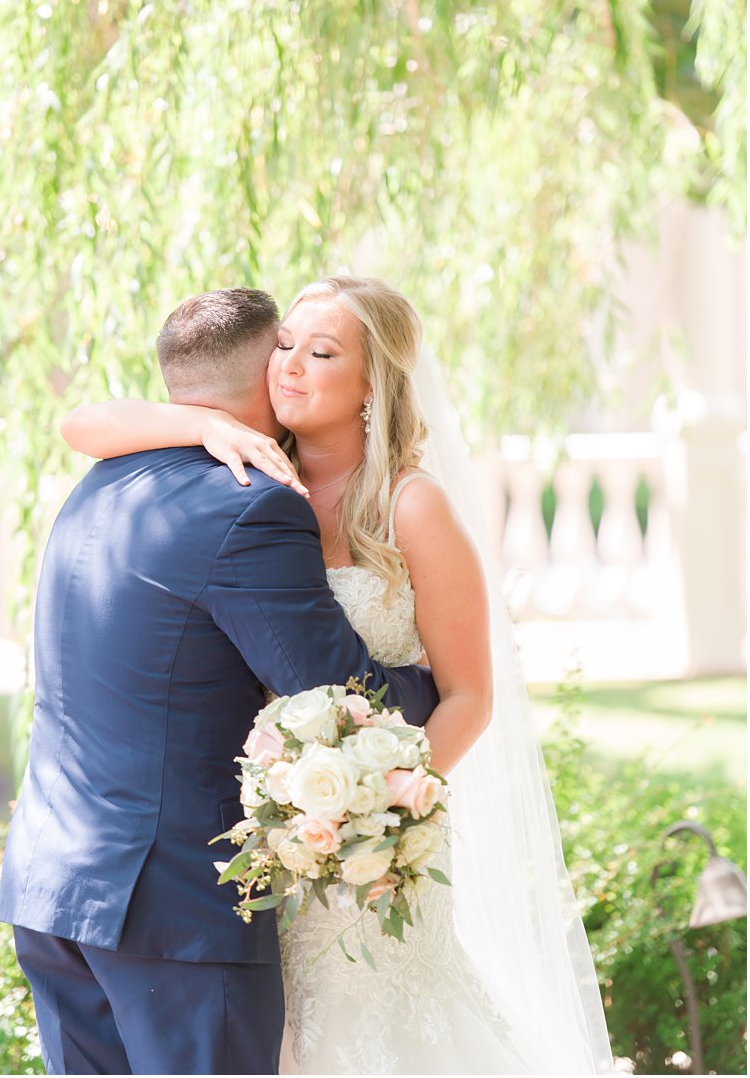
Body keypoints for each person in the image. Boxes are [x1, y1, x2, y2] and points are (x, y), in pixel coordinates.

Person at [56, 276, 612, 1073]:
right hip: (257, 850)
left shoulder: (412, 506)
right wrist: (203, 423)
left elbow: (469, 695)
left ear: (370, 387)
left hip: (361, 853)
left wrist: (371, 811)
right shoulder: (242, 471)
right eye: (285, 344)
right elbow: (81, 423)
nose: (290, 364)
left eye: (322, 352)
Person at [0, 288, 443, 1075]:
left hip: (51, 886)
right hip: (170, 916)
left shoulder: (96, 487)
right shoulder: (250, 505)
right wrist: (440, 685)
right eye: (285, 349)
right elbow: (339, 695)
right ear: (259, 369)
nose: (295, 367)